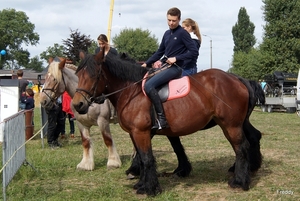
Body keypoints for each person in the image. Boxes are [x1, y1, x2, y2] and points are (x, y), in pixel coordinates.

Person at [141, 7, 199, 131]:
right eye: (169, 20)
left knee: (149, 86)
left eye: (174, 21)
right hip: (164, 66)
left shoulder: (183, 33)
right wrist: (147, 63)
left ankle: (162, 120)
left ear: (179, 19)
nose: (171, 23)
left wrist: (176, 58)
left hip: (175, 68)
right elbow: (160, 52)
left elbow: (193, 52)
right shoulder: (167, 34)